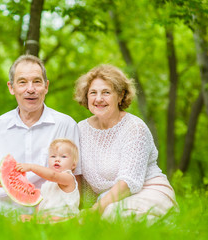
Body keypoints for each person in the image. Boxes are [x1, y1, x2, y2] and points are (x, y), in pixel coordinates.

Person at [0, 55, 81, 214]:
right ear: (11, 87)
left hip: (44, 209)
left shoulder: (66, 124)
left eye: (37, 82)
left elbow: (75, 178)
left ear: (46, 86)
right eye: (22, 82)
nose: (31, 89)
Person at [74, 64, 177, 220]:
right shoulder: (80, 129)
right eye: (93, 93)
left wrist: (94, 211)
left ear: (121, 96)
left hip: (148, 192)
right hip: (108, 201)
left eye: (106, 92)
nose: (98, 98)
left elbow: (128, 183)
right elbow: (82, 180)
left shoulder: (135, 128)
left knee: (113, 215)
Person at [15, 138, 80, 222]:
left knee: (53, 219)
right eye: (53, 156)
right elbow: (42, 204)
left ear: (73, 165)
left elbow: (53, 175)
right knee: (23, 218)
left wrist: (31, 167)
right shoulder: (48, 184)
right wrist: (34, 217)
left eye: (63, 156)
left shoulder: (69, 178)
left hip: (65, 218)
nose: (57, 159)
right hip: (47, 219)